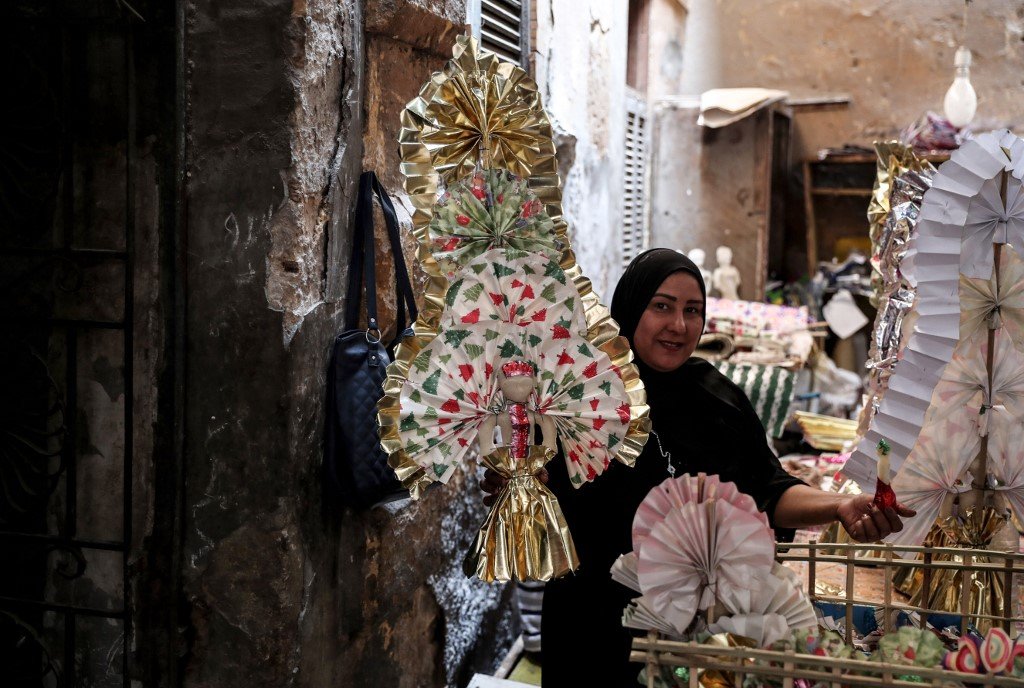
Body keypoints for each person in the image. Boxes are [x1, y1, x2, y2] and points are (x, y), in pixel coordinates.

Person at [483, 248, 916, 687]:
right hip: (591, 628)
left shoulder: (717, 399)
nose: (680, 325)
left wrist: (840, 505)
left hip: (694, 636)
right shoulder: (577, 400)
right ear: (631, 308)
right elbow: (531, 494)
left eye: (693, 310)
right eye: (662, 306)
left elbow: (766, 490)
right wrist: (512, 486)